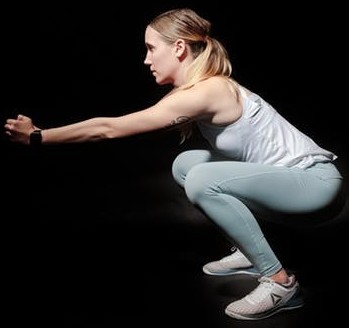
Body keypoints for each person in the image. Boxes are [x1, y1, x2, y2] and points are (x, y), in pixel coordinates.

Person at [4, 7, 345, 321]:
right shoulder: (203, 87)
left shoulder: (207, 91)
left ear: (179, 48)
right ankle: (248, 249)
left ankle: (280, 283)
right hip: (294, 183)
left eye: (152, 48)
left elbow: (109, 129)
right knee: (187, 164)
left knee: (202, 179)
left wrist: (39, 136)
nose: (145, 59)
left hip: (315, 188)